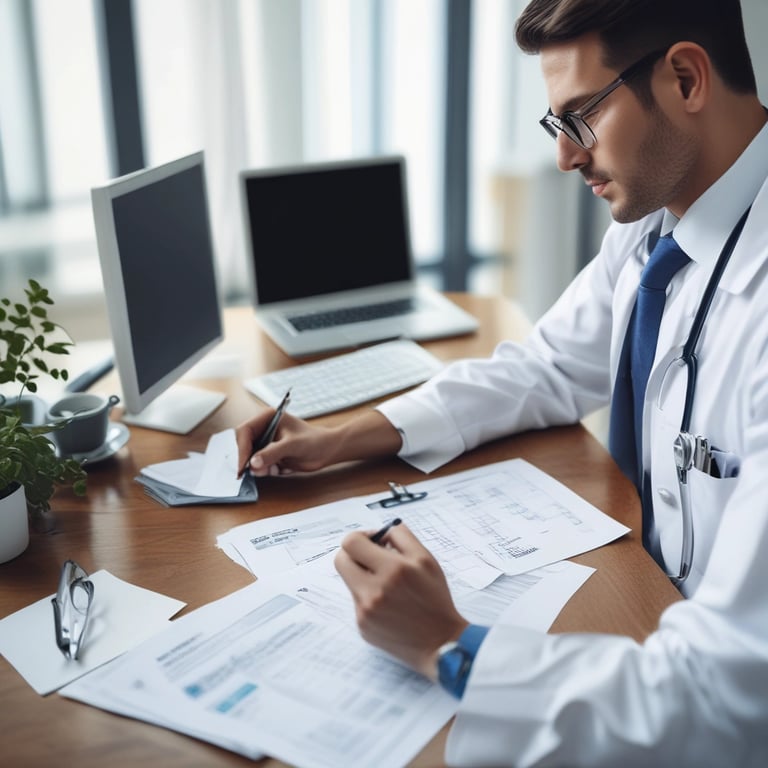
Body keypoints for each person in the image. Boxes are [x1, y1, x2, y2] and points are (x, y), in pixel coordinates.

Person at [236, 0, 768, 763]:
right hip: (642, 606)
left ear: (686, 78)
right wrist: (335, 439)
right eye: (559, 127)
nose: (566, 157)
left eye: (580, 117)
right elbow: (544, 365)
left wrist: (450, 647)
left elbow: (725, 697)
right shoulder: (663, 227)